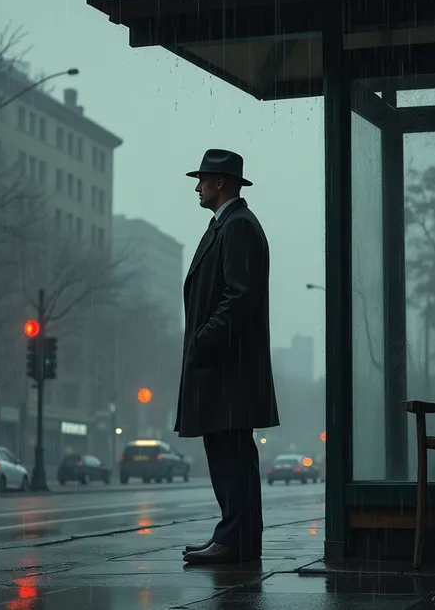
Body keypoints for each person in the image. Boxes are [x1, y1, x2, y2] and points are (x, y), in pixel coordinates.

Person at [175, 148, 279, 565]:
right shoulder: (226, 226)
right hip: (225, 365)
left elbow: (239, 298)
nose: (197, 187)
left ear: (220, 182)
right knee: (227, 452)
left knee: (231, 454)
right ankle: (236, 537)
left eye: (202, 179)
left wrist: (204, 340)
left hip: (227, 366)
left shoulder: (237, 227)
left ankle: (235, 540)